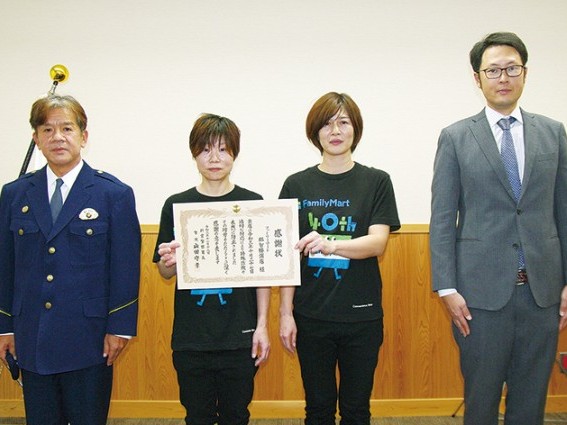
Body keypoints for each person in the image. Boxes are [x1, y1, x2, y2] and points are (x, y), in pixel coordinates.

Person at [430, 32, 567, 425]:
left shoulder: (553, 132)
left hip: (542, 294)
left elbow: (563, 210)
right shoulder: (456, 137)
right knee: (481, 400)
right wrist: (447, 287)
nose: (503, 77)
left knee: (531, 402)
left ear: (525, 73)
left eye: (511, 68)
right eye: (493, 70)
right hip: (479, 297)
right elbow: (443, 216)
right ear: (478, 78)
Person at [0, 94, 141, 425]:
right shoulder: (15, 194)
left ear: (83, 136)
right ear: (36, 139)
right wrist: (5, 326)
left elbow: (124, 268)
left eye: (67, 128)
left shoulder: (113, 194)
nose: (57, 137)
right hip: (32, 334)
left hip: (89, 337)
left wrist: (120, 328)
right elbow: (6, 266)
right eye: (47, 130)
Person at [279, 92, 400, 425]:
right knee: (317, 409)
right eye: (327, 123)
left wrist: (329, 245)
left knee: (356, 410)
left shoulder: (376, 181)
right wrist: (285, 313)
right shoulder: (296, 184)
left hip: (362, 316)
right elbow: (288, 257)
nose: (335, 131)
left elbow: (378, 242)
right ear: (315, 132)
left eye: (343, 122)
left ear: (355, 129)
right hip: (311, 315)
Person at [154, 113, 270, 425]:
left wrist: (262, 326)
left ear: (235, 153)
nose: (214, 158)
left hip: (239, 335)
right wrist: (168, 261)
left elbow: (264, 275)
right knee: (197, 416)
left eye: (222, 149)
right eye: (205, 149)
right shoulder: (176, 205)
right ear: (194, 154)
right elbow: (165, 272)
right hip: (192, 338)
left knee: (236, 415)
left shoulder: (253, 203)